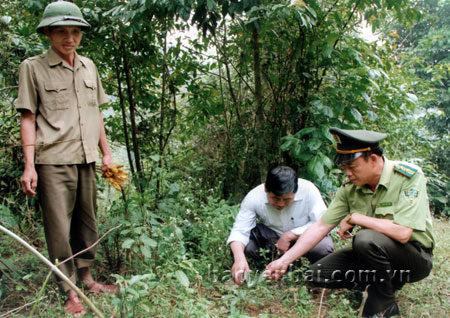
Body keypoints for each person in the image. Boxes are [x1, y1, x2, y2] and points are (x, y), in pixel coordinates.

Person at [265, 128, 435, 318]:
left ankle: (384, 302)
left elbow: (403, 233)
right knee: (317, 274)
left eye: (352, 167)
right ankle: (374, 282)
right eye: (344, 168)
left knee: (364, 239)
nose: (347, 174)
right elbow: (321, 227)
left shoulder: (408, 177)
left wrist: (357, 218)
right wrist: (283, 260)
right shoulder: (350, 189)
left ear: (372, 159)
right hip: (377, 256)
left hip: (414, 257)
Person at [16, 1, 116, 316]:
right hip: (52, 161)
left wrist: (107, 153)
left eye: (75, 32)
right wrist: (30, 165)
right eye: (62, 32)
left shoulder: (89, 66)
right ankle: (68, 287)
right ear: (48, 33)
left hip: (86, 158)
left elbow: (95, 112)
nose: (69, 38)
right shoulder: (33, 67)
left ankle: (87, 278)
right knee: (59, 229)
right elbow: (28, 117)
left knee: (87, 221)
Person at [227, 166, 334, 285]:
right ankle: (272, 265)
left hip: (304, 240)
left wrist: (291, 235)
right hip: (272, 242)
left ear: (295, 191)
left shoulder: (309, 190)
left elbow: (322, 224)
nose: (281, 204)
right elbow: (240, 231)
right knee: (245, 247)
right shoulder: (254, 197)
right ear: (265, 189)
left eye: (287, 199)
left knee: (323, 247)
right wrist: (239, 258)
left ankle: (302, 268)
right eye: (275, 199)